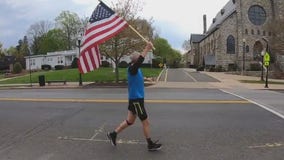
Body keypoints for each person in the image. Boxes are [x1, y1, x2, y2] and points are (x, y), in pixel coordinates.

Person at [107, 42, 162, 151]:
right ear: (136, 60)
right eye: (140, 59)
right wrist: (147, 48)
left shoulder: (136, 70)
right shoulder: (132, 68)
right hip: (136, 100)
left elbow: (137, 78)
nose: (142, 60)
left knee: (130, 121)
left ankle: (113, 134)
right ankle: (150, 144)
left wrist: (147, 79)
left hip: (134, 99)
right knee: (145, 122)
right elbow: (140, 61)